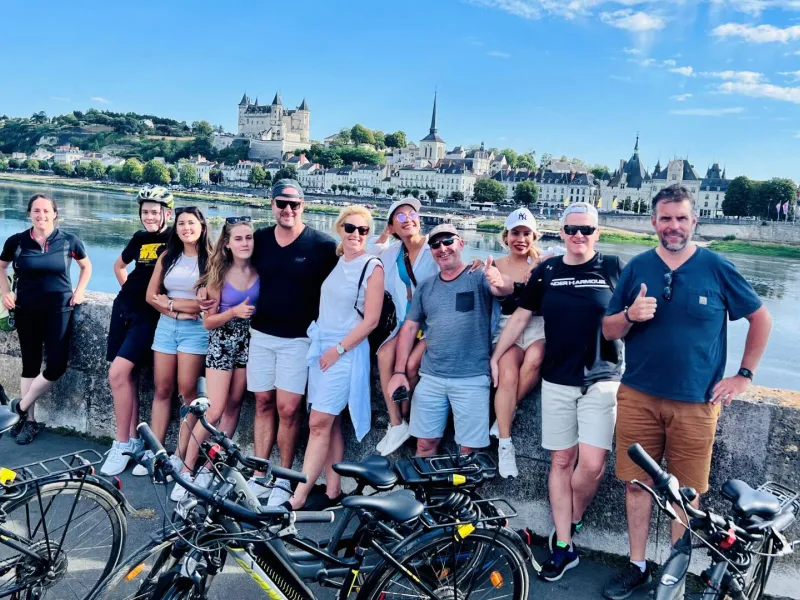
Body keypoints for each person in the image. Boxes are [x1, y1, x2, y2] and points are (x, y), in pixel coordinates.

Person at [601, 184, 772, 600]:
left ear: (694, 220)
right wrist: (630, 314)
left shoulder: (716, 266)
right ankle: (637, 566)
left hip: (697, 403)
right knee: (636, 485)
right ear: (653, 222)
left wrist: (743, 375)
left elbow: (761, 318)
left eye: (681, 218)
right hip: (638, 396)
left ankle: (673, 576)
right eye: (666, 218)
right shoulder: (637, 267)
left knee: (687, 494)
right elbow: (608, 329)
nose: (673, 226)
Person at [493, 202, 624, 582]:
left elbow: (635, 317)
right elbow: (520, 316)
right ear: (561, 232)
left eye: (586, 229)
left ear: (597, 233)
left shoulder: (613, 267)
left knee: (592, 465)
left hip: (602, 378)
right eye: (571, 229)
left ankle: (573, 517)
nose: (579, 235)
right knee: (561, 461)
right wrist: (497, 356)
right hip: (556, 379)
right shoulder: (547, 271)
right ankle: (564, 545)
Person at [218, 179, 337, 505]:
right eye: (281, 203)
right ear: (271, 205)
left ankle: (283, 478)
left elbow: (351, 276)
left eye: (294, 204)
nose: (288, 209)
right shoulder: (259, 240)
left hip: (299, 340)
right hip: (260, 335)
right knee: (262, 403)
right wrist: (208, 294)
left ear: (303, 206)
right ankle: (260, 474)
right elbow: (226, 262)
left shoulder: (323, 246)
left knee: (288, 409)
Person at [388, 224, 513, 457]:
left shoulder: (478, 275)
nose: (442, 248)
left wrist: (499, 280)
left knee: (469, 450)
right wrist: (399, 371)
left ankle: (460, 484)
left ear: (461, 244)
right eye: (435, 245)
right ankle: (424, 483)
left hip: (472, 378)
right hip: (431, 378)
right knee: (424, 444)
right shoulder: (426, 286)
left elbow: (504, 289)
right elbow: (410, 328)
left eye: (448, 242)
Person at [289, 206, 384, 509]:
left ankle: (298, 497)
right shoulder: (340, 260)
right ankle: (332, 491)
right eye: (350, 228)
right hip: (323, 347)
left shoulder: (372, 266)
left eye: (363, 230)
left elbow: (371, 320)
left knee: (318, 423)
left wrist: (338, 350)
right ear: (340, 228)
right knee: (328, 422)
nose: (356, 234)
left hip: (345, 351)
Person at [172, 216, 259, 502]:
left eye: (249, 237)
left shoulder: (260, 269)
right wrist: (233, 312)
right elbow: (208, 322)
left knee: (234, 406)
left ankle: (210, 466)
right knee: (215, 408)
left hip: (249, 343)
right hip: (222, 342)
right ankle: (187, 470)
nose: (244, 243)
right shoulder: (219, 274)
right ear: (227, 243)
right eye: (238, 238)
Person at [0, 194, 92, 445]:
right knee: (29, 365)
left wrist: (80, 291)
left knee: (57, 366)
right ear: (29, 213)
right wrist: (5, 292)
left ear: (55, 213)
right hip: (26, 310)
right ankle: (29, 421)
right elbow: (1, 266)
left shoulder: (69, 241)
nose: (41, 215)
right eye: (36, 210)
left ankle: (20, 407)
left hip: (59, 309)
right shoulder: (17, 241)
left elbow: (86, 267)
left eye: (46, 210)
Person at [132, 206, 212, 479]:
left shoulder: (211, 259)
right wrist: (178, 310)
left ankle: (179, 455)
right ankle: (156, 453)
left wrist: (171, 303)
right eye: (181, 224)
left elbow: (206, 305)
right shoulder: (168, 256)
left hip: (196, 331)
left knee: (188, 393)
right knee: (162, 389)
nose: (186, 228)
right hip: (166, 327)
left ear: (202, 226)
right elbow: (150, 296)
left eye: (191, 223)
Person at [101, 186, 173, 476]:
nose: (149, 217)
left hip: (149, 315)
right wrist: (129, 292)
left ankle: (120, 444)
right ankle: (131, 440)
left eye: (155, 212)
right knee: (126, 376)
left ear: (168, 213)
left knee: (117, 373)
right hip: (123, 308)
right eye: (145, 212)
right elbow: (119, 266)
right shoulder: (139, 238)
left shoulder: (174, 238)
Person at [369, 198, 437, 456]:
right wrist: (385, 234)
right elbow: (370, 254)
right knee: (384, 354)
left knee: (410, 365)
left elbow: (456, 267)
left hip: (433, 325)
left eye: (412, 214)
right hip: (406, 324)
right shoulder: (393, 252)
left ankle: (406, 416)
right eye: (400, 217)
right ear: (392, 226)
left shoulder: (434, 246)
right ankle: (396, 423)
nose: (408, 219)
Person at [489, 207, 546, 478]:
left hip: (537, 327)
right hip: (507, 327)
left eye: (526, 233)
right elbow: (494, 289)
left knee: (535, 358)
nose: (520, 239)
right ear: (506, 236)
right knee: (508, 374)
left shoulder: (545, 263)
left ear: (534, 236)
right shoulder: (496, 265)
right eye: (515, 233)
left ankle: (506, 412)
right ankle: (505, 443)